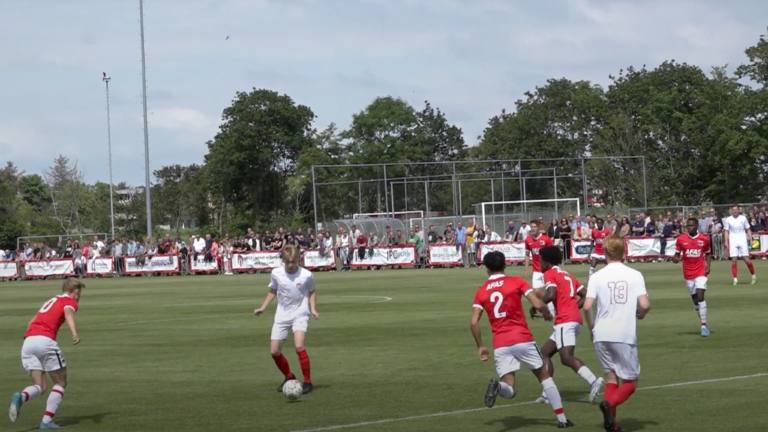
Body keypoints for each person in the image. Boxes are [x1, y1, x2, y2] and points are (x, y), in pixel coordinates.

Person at [470, 251, 575, 428]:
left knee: (510, 389)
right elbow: (538, 303)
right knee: (544, 377)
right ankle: (562, 420)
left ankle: (498, 388)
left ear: (486, 269)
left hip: (501, 344)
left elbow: (474, 321)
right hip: (522, 338)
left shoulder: (481, 291)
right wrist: (548, 315)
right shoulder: (516, 282)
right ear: (505, 265)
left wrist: (481, 346)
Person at [583, 234, 651, 432]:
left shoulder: (596, 276)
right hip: (623, 334)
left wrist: (592, 328)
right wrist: (641, 313)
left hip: (601, 333)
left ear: (604, 252)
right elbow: (645, 304)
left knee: (611, 379)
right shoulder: (634, 274)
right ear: (624, 251)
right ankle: (609, 405)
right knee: (631, 382)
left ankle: (612, 426)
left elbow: (587, 306)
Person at [531, 246, 605, 405]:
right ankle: (547, 393)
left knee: (566, 357)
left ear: (547, 262)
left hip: (565, 321)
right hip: (573, 319)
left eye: (541, 260)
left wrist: (536, 305)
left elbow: (550, 294)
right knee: (544, 353)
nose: (539, 264)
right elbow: (585, 295)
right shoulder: (567, 275)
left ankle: (593, 380)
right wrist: (572, 307)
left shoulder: (550, 274)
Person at [9, 278, 84, 430]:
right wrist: (74, 333)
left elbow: (33, 321)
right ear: (76, 291)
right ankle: (46, 421)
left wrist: (30, 339)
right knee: (61, 382)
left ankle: (21, 396)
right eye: (80, 292)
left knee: (40, 386)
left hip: (28, 341)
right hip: (45, 341)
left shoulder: (52, 300)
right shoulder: (69, 302)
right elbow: (68, 313)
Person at [254, 245, 319, 394]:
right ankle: (289, 376)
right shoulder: (276, 273)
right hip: (282, 315)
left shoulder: (306, 275)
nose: (290, 265)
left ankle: (307, 381)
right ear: (283, 261)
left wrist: (313, 309)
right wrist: (263, 307)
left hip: (300, 313)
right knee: (274, 351)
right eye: (287, 262)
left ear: (298, 260)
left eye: (293, 262)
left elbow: (312, 291)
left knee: (299, 346)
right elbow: (273, 290)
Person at [672, 218, 712, 337]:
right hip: (688, 273)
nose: (689, 228)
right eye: (687, 226)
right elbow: (676, 255)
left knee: (700, 296)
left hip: (700, 271)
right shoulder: (681, 239)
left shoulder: (704, 239)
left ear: (696, 226)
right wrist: (675, 259)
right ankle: (704, 322)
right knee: (695, 301)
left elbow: (708, 253)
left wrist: (708, 266)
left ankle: (703, 326)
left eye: (691, 226)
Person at [524, 221, 555, 312]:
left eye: (534, 227)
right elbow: (527, 255)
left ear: (538, 228)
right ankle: (550, 306)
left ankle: (552, 309)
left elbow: (553, 253)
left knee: (551, 291)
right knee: (537, 292)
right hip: (536, 270)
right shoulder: (528, 240)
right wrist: (526, 268)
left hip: (547, 270)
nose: (533, 229)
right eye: (531, 227)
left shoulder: (546, 239)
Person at [723, 206, 756, 285]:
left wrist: (750, 239)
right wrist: (726, 241)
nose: (735, 211)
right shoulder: (728, 219)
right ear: (731, 211)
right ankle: (735, 279)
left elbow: (748, 229)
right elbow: (726, 231)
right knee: (734, 260)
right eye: (733, 210)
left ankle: (753, 276)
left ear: (738, 210)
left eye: (736, 210)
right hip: (733, 241)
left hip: (742, 240)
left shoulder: (743, 218)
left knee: (746, 259)